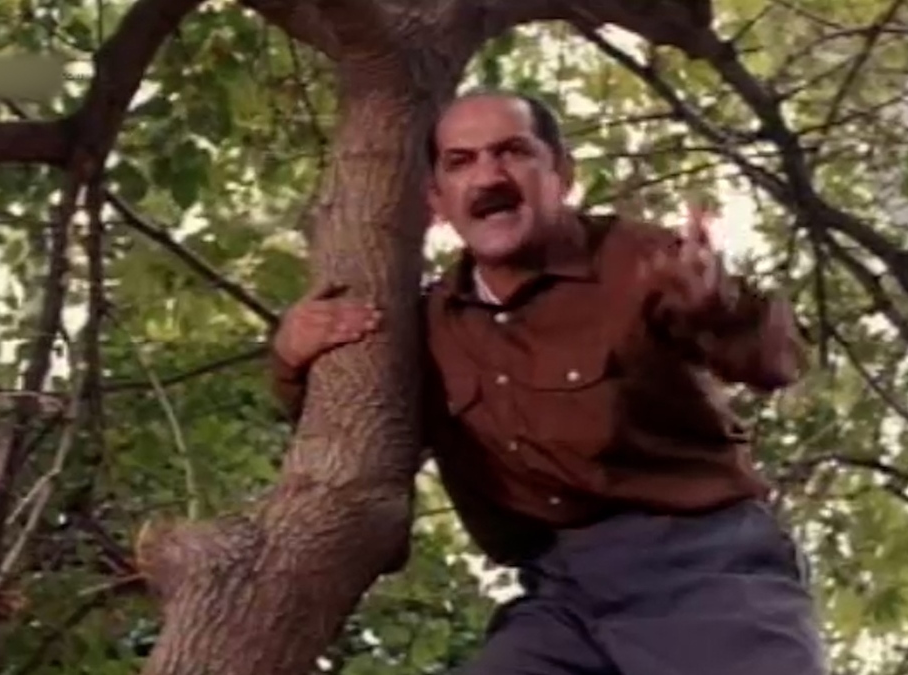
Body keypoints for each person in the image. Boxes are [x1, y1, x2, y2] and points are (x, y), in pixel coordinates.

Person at [269, 90, 827, 675]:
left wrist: (721, 309)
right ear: (437, 201)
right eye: (461, 162)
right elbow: (351, 431)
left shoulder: (638, 258)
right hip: (560, 596)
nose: (489, 176)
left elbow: (778, 362)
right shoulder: (427, 327)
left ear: (561, 173)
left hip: (706, 569)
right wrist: (290, 356)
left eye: (513, 152)